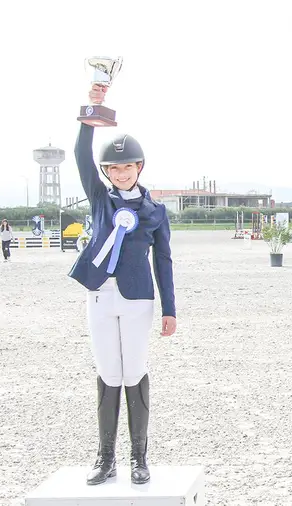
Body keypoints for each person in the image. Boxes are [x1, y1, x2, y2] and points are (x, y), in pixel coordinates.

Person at [70, 83, 177, 486]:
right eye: (113, 169)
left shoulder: (155, 211)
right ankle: (105, 457)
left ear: (139, 167)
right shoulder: (100, 198)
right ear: (106, 173)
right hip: (100, 293)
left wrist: (170, 309)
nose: (120, 173)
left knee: (133, 370)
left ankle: (139, 458)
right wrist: (93, 110)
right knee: (107, 371)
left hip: (136, 298)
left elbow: (163, 261)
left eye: (127, 167)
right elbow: (82, 155)